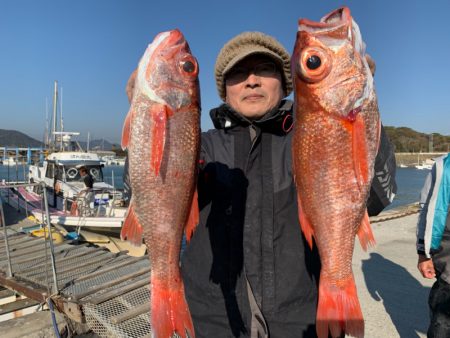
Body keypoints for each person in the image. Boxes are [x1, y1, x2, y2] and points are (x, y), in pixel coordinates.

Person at [124, 31, 397, 337]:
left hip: (299, 319)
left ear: (285, 83)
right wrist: (142, 123)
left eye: (264, 70)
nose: (251, 80)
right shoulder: (200, 147)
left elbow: (378, 196)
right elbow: (145, 192)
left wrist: (366, 111)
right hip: (213, 319)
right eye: (238, 74)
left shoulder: (312, 141)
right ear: (224, 91)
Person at [416, 153, 450, 338]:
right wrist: (423, 254)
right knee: (441, 327)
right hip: (447, 271)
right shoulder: (443, 167)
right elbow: (425, 209)